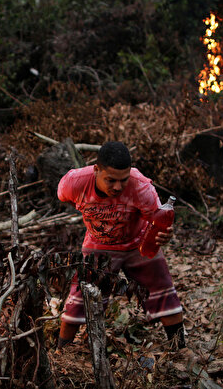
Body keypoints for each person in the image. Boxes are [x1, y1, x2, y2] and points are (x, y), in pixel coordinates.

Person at [56, 141, 186, 349]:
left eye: (123, 181)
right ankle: (61, 350)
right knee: (78, 298)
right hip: (98, 244)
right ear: (96, 170)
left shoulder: (140, 185)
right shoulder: (75, 182)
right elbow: (66, 198)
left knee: (163, 290)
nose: (117, 187)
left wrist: (163, 235)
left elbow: (157, 221)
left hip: (138, 244)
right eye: (111, 180)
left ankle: (180, 348)